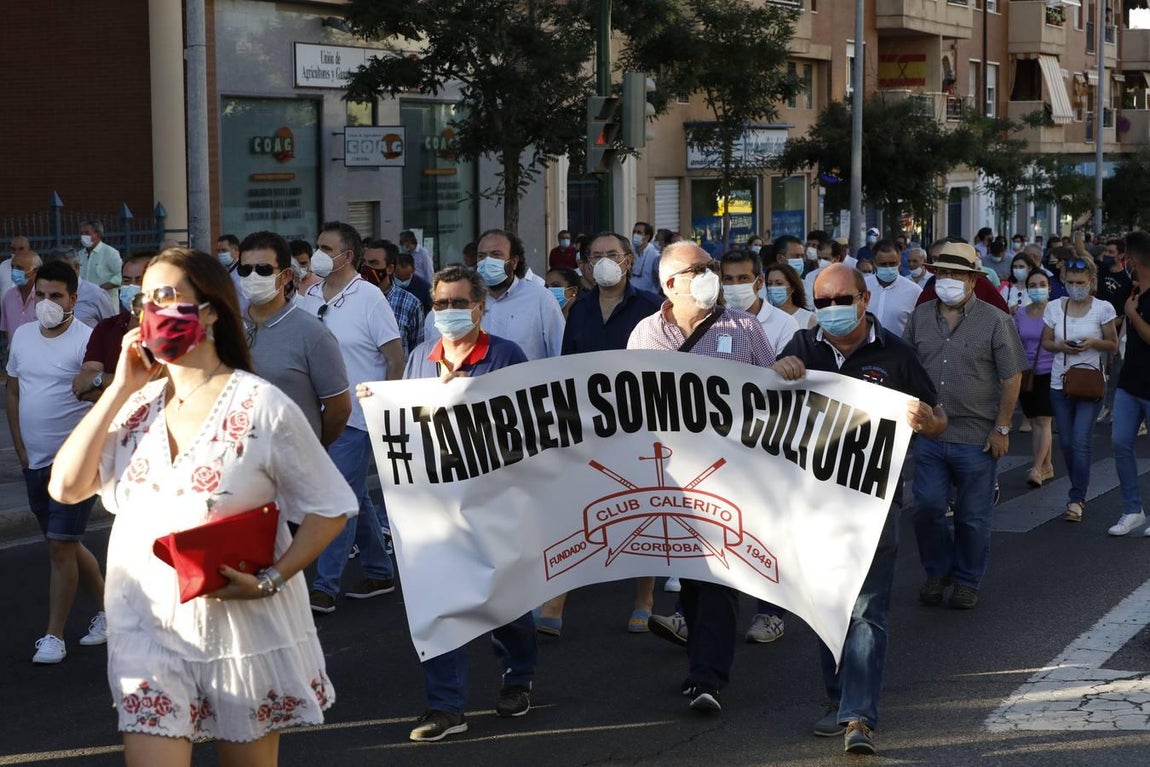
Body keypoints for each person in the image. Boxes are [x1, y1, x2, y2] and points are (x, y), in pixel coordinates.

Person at [48, 248, 354, 765]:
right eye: (144, 300)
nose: (151, 311)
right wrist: (120, 387)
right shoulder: (137, 407)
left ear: (209, 311)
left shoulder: (260, 404)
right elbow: (66, 487)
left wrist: (271, 578)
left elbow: (329, 508)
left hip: (239, 631)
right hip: (145, 628)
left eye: (166, 297)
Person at [359, 265, 537, 742]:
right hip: (433, 506)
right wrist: (379, 403)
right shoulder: (420, 357)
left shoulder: (506, 355)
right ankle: (446, 706)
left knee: (504, 599)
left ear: (480, 307)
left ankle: (518, 676)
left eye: (459, 303)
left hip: (493, 502)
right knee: (435, 599)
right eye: (441, 304)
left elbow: (526, 423)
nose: (449, 312)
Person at [783, 264, 946, 756]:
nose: (831, 308)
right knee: (826, 605)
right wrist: (775, 373)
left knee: (867, 607)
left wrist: (928, 423)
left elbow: (939, 417)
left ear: (863, 300)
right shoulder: (802, 349)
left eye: (840, 298)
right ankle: (837, 701)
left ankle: (859, 716)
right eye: (822, 300)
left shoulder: (896, 355)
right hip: (810, 504)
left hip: (873, 504)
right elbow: (763, 406)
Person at [627, 240, 793, 715]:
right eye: (697, 268)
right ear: (669, 283)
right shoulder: (645, 333)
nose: (708, 274)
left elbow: (768, 394)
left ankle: (707, 677)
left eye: (710, 267)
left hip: (729, 477)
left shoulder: (743, 327)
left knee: (719, 574)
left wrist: (780, 373)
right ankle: (700, 647)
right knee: (693, 576)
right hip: (670, 477)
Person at [538, 233, 662, 635]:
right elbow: (567, 365)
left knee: (643, 506)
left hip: (639, 422)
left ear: (629, 260)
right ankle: (558, 597)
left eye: (612, 254)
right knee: (574, 507)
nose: (604, 262)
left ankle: (644, 597)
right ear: (585, 265)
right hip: (587, 423)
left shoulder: (652, 308)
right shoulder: (579, 310)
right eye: (595, 256)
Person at [902, 242, 1026, 610]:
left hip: (976, 436)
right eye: (942, 273)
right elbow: (906, 366)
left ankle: (967, 580)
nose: (948, 280)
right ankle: (937, 572)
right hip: (929, 433)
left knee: (973, 517)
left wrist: (1002, 429)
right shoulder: (921, 316)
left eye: (957, 274)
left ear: (973, 280)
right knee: (926, 507)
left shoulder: (995, 320)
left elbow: (1012, 376)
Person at [298, 221, 405, 614]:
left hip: (356, 418)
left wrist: (385, 407)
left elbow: (395, 357)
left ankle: (325, 584)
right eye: (318, 245)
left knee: (335, 497)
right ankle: (379, 570)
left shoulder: (370, 298)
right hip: (316, 416)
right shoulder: (309, 296)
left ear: (348, 256)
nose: (320, 253)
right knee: (353, 493)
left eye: (327, 247)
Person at [7, 259, 104, 664]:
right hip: (35, 461)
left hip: (76, 463)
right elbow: (12, 390)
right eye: (40, 295)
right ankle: (110, 611)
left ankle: (54, 636)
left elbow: (103, 396)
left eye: (56, 296)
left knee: (60, 548)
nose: (46, 302)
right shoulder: (24, 337)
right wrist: (21, 448)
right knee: (64, 543)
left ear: (73, 299)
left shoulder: (87, 341)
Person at [240, 231, 352, 446]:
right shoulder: (225, 329)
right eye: (246, 270)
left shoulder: (313, 334)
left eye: (263, 270)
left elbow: (339, 409)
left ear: (286, 276)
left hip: (295, 467)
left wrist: (310, 449)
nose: (253, 277)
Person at [1040, 257, 1118, 523]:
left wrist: (1093, 342)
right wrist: (1064, 347)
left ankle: (1076, 498)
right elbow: (1047, 343)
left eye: (1080, 283)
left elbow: (1113, 345)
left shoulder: (1103, 308)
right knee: (1067, 443)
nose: (1076, 287)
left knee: (1081, 441)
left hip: (1090, 384)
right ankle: (1079, 487)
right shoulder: (1053, 308)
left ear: (1091, 283)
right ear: (1064, 282)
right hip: (1059, 384)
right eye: (1071, 282)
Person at [464, 228, 564, 360]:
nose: (487, 262)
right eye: (481, 256)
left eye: (496, 255)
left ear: (514, 261)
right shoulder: (467, 301)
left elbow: (560, 352)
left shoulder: (540, 298)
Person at [1109, 232, 1150, 536]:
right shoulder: (1134, 290)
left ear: (1134, 261)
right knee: (1120, 442)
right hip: (1129, 383)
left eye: (1127, 259)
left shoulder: (1138, 302)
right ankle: (1132, 509)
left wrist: (1132, 314)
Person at [73, 252, 153, 402]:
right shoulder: (106, 327)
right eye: (127, 281)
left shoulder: (166, 332)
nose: (132, 287)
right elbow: (82, 388)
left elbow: (154, 388)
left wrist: (99, 380)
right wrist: (129, 386)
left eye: (139, 280)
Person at [1015, 270, 1056, 488]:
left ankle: (1037, 468)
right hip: (1027, 374)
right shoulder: (1020, 314)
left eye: (1042, 284)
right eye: (1033, 285)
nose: (1037, 288)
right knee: (1035, 422)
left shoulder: (1056, 311)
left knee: (1043, 421)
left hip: (1050, 371)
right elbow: (1016, 343)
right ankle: (1047, 465)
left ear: (1049, 288)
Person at [720, 249, 799, 357]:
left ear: (760, 282)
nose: (735, 285)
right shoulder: (715, 319)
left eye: (743, 278)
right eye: (728, 279)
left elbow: (785, 369)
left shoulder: (785, 323)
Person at [362, 239, 426, 356]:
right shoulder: (350, 299)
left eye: (374, 263)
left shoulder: (410, 303)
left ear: (390, 269)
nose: (366, 268)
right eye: (364, 263)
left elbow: (417, 352)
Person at [41, 248, 116, 328]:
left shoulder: (96, 295)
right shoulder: (45, 296)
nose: (56, 274)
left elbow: (112, 329)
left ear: (76, 267)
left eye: (61, 269)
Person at [864, 240, 922, 336]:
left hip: (898, 349)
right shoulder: (862, 286)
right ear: (874, 263)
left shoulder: (915, 291)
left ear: (899, 261)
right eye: (883, 264)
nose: (888, 268)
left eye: (892, 263)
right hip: (866, 348)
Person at [1, 246, 42, 338]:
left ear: (36, 270)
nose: (14, 271)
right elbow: (7, 330)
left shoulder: (46, 298)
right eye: (12, 267)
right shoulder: (8, 296)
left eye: (19, 268)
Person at [78, 220, 122, 305]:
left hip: (106, 302)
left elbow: (120, 275)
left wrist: (102, 288)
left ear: (97, 234)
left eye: (87, 233)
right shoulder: (80, 254)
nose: (83, 236)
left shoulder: (110, 253)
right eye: (82, 233)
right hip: (85, 302)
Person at [763, 261, 816, 329]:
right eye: (769, 284)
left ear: (792, 287)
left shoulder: (809, 319)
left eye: (779, 283)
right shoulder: (762, 317)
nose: (773, 287)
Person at [630, 221, 662, 294]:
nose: (635, 234)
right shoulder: (629, 251)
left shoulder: (655, 256)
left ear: (647, 237)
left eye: (639, 232)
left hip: (647, 296)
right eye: (634, 232)